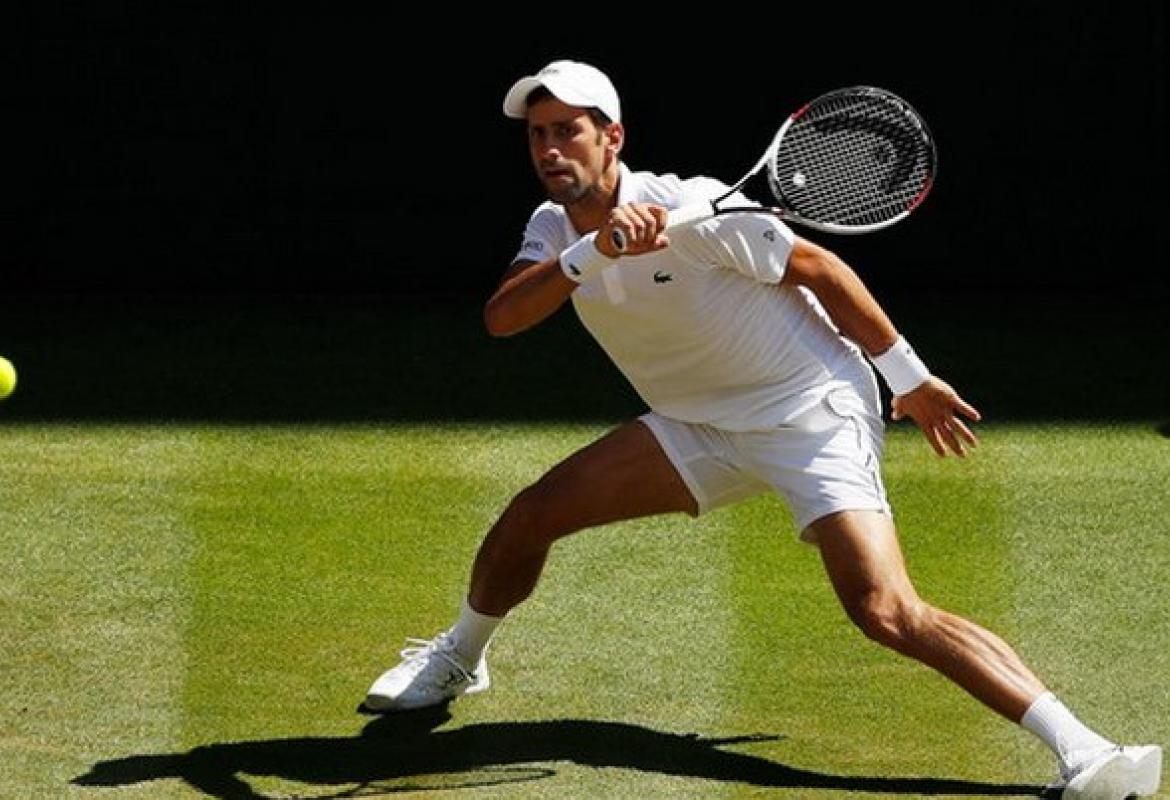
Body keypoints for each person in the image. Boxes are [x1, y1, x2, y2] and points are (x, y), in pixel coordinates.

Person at [365, 59, 1162, 799]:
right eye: (538, 134)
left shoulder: (698, 206)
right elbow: (503, 318)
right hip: (698, 424)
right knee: (532, 514)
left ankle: (1088, 752)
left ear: (612, 138)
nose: (549, 149)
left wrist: (910, 379)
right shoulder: (552, 227)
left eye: (568, 130)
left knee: (884, 609)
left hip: (808, 412)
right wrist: (593, 253)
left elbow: (821, 269)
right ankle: (460, 658)